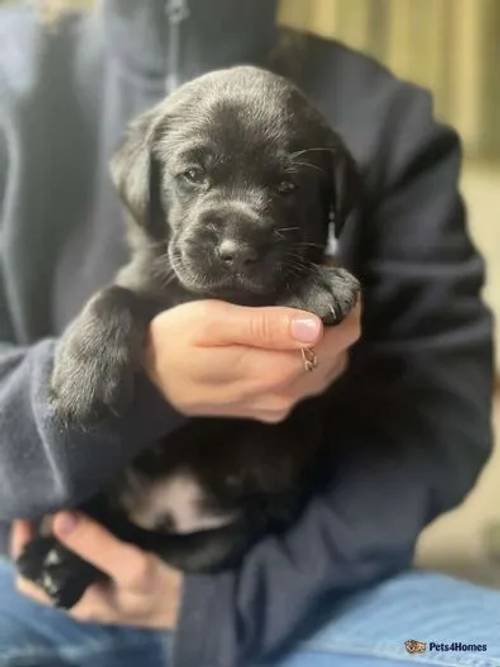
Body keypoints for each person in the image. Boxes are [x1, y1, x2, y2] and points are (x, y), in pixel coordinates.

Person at [0, 1, 495, 666]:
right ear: (146, 187)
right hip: (61, 565)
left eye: (287, 186)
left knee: (474, 648)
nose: (235, 237)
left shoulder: (390, 118)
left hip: (281, 575)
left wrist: (238, 601)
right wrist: (140, 381)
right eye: (193, 176)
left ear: (329, 201)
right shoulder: (16, 79)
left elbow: (441, 414)